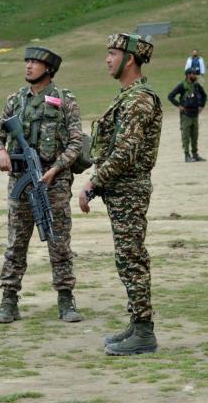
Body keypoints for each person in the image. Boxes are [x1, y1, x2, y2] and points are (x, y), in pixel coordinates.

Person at [79, 33, 162, 356]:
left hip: (129, 189)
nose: (107, 59)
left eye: (113, 53)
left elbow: (126, 152)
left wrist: (93, 183)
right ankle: (136, 323)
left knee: (132, 259)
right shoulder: (127, 97)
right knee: (126, 259)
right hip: (121, 189)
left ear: (129, 59)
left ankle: (144, 332)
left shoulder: (139, 99)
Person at [0, 46, 83, 324]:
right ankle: (9, 300)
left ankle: (65, 299)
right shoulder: (15, 100)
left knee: (58, 241)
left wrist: (55, 168)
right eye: (27, 61)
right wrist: (0, 152)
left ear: (48, 69)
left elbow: (76, 143)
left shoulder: (65, 100)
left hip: (54, 183)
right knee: (16, 243)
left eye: (35, 62)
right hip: (20, 181)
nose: (28, 66)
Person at [168, 67, 207, 162]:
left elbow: (204, 95)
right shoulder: (182, 85)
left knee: (195, 135)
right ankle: (187, 155)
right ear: (188, 75)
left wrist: (201, 106)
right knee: (186, 135)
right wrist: (179, 105)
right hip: (186, 114)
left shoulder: (196, 85)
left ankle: (195, 154)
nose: (195, 75)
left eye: (195, 74)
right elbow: (170, 96)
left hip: (195, 114)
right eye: (193, 74)